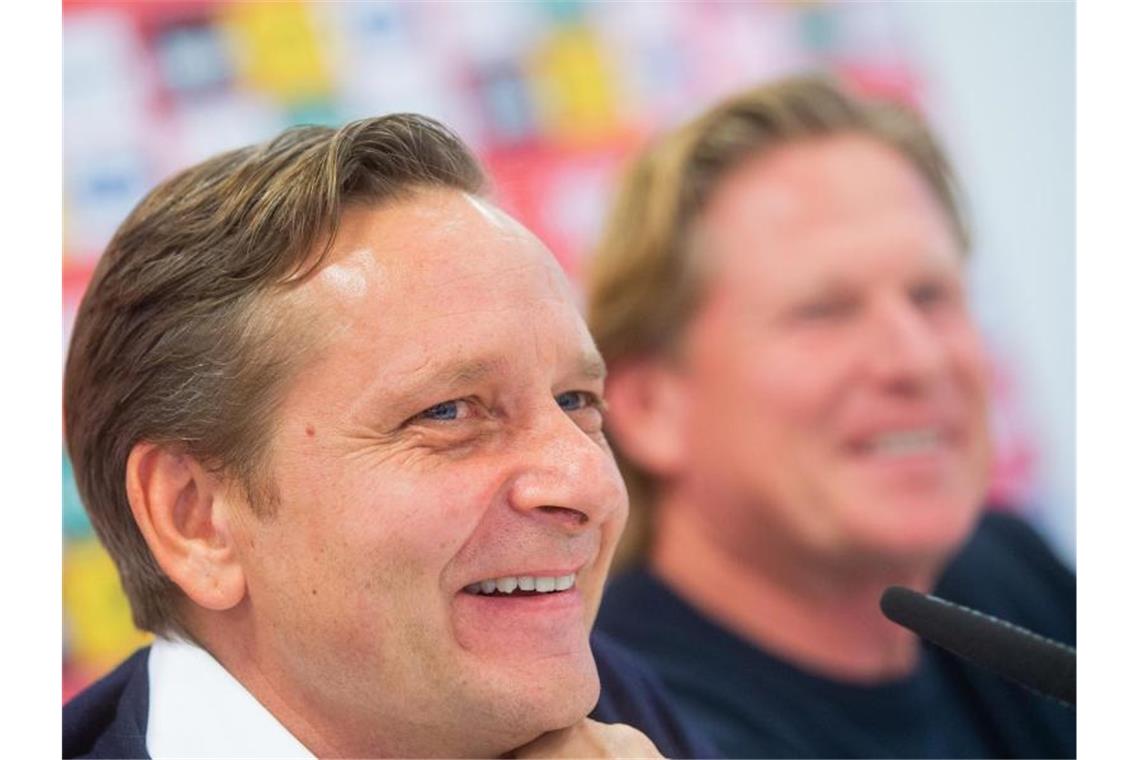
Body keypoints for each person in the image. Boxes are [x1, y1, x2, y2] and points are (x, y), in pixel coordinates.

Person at [62, 114, 715, 758]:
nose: (590, 483)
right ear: (195, 519)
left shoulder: (622, 706)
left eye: (576, 401)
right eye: (450, 413)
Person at [587, 75, 1075, 758]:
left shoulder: (1007, 572)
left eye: (931, 295)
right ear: (646, 407)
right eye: (825, 311)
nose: (916, 359)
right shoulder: (605, 721)